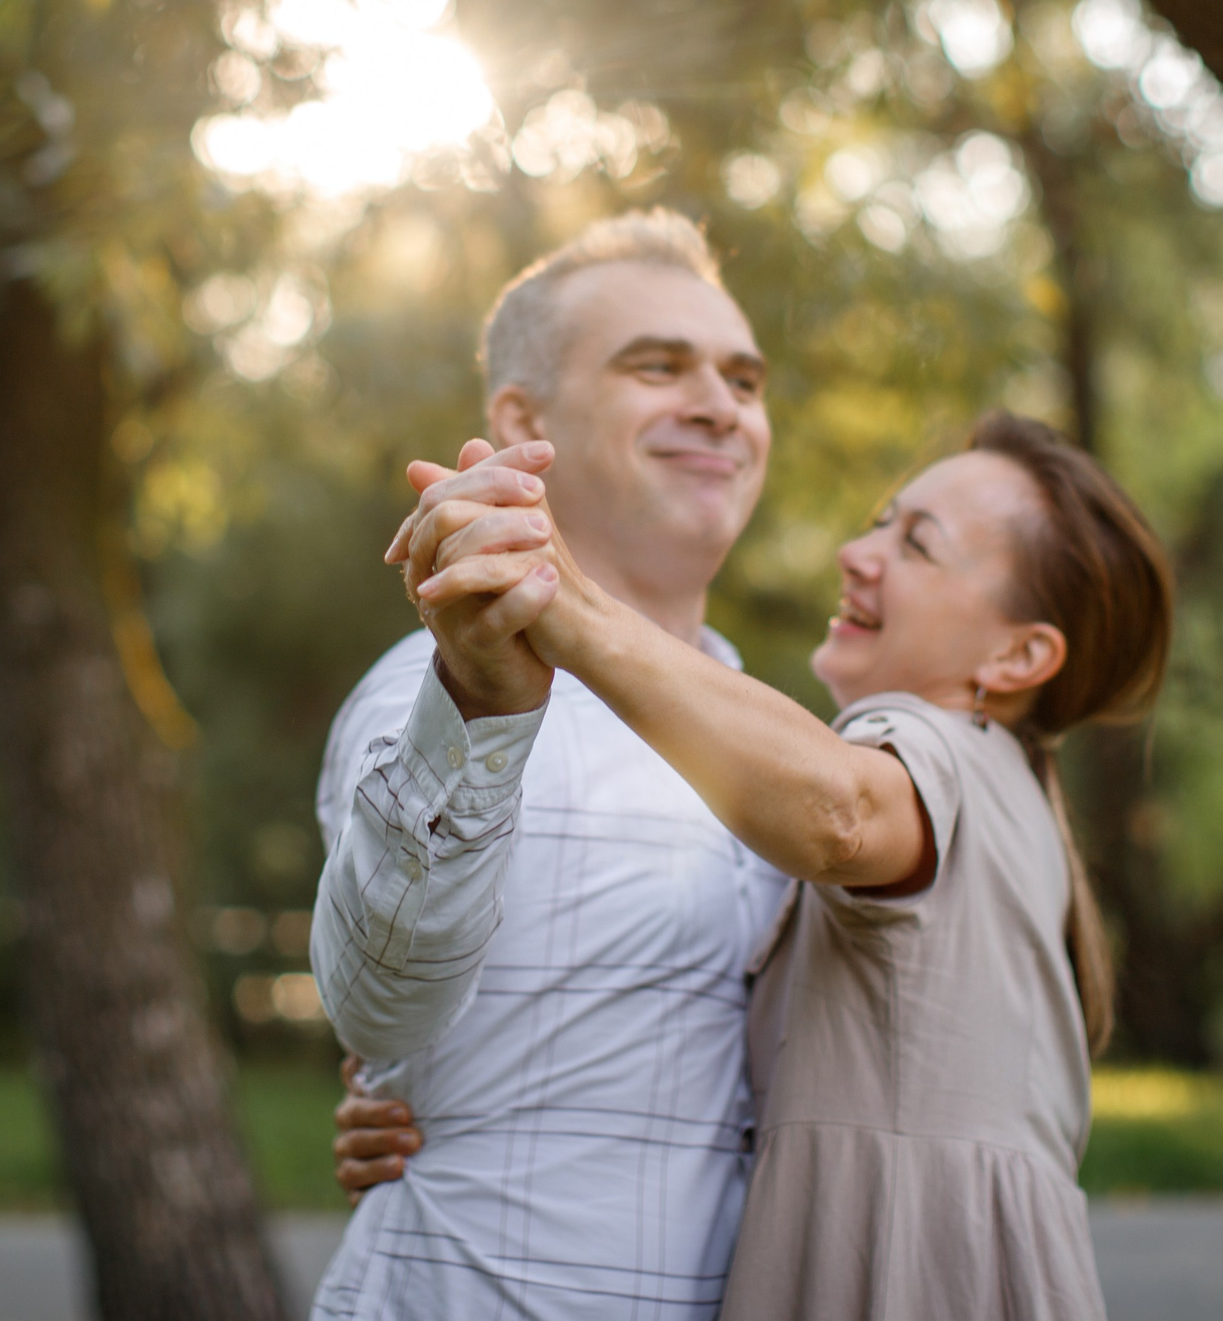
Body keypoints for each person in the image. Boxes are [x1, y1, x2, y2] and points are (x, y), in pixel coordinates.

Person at [385, 409, 1172, 1319]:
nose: (855, 551)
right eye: (881, 520)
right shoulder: (1012, 788)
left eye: (916, 544)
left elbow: (837, 814)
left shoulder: (935, 745)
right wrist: (433, 1104)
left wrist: (564, 600)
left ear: (1020, 653)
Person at [305, 210, 791, 1319]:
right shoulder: (430, 686)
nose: (720, 404)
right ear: (523, 418)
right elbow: (377, 1007)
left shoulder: (771, 728)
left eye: (744, 379)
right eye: (656, 366)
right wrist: (476, 698)